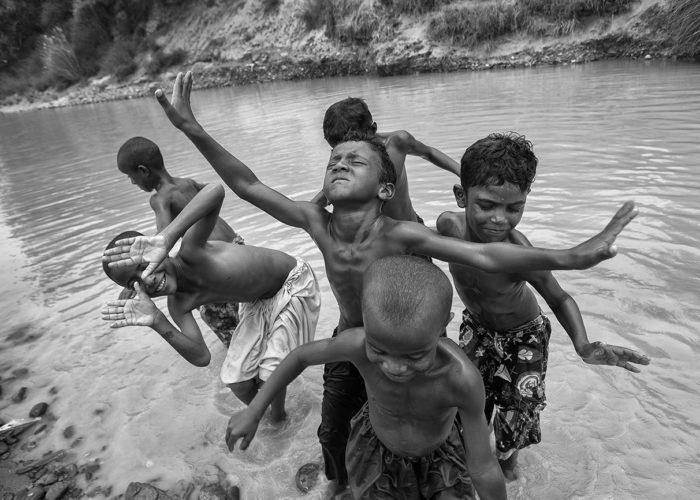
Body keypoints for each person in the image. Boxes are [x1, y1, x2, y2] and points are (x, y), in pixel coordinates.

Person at [154, 71, 637, 495]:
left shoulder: (401, 232)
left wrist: (574, 256)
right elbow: (246, 185)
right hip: (354, 340)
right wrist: (191, 128)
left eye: (355, 160)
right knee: (334, 429)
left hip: (412, 343)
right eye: (334, 159)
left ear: (385, 188)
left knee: (432, 428)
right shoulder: (316, 221)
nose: (340, 163)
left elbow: (488, 253)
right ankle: (341, 484)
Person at [436, 132, 650, 480]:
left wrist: (583, 345)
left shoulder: (520, 253)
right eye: (487, 205)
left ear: (525, 200)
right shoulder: (448, 226)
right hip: (476, 326)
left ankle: (509, 476)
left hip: (524, 339)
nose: (500, 220)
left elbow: (559, 297)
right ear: (462, 196)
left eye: (514, 208)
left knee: (514, 417)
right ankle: (471, 468)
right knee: (466, 404)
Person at [225, 256, 507, 500]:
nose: (394, 367)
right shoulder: (357, 344)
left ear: (444, 323)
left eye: (414, 356)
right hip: (375, 450)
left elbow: (482, 467)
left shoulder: (460, 379)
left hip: (441, 455)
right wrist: (255, 408)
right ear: (365, 320)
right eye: (380, 350)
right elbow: (300, 356)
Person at [101, 183, 321, 422]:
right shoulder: (179, 304)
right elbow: (201, 357)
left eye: (144, 266)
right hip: (257, 303)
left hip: (293, 282)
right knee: (236, 381)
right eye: (136, 281)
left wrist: (166, 237)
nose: (148, 279)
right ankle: (270, 415)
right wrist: (157, 321)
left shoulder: (192, 252)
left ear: (156, 252)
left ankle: (279, 419)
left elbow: (215, 191)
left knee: (270, 373)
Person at [117, 136, 244, 346]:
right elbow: (210, 195)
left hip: (213, 258)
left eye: (131, 177)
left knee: (212, 314)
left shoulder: (160, 199)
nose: (132, 182)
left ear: (143, 171)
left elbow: (161, 241)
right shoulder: (188, 182)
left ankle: (238, 351)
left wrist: (136, 279)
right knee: (245, 306)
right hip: (237, 244)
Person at [312, 97, 460, 223]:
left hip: (409, 231)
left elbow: (429, 152)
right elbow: (320, 201)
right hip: (373, 243)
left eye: (353, 149)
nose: (344, 154)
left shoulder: (397, 143)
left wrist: (462, 173)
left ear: (372, 130)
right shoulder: (342, 165)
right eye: (335, 149)